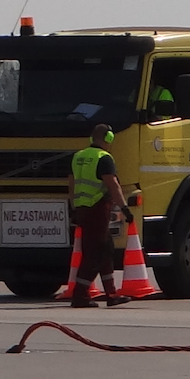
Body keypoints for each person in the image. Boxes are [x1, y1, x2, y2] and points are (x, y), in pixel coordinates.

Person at [69, 124, 134, 308]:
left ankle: (111, 294)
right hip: (97, 209)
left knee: (106, 249)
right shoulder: (104, 158)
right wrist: (125, 209)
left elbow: (72, 184)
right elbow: (113, 186)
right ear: (109, 138)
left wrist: (74, 208)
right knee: (95, 253)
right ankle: (80, 296)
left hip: (82, 209)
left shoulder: (78, 157)